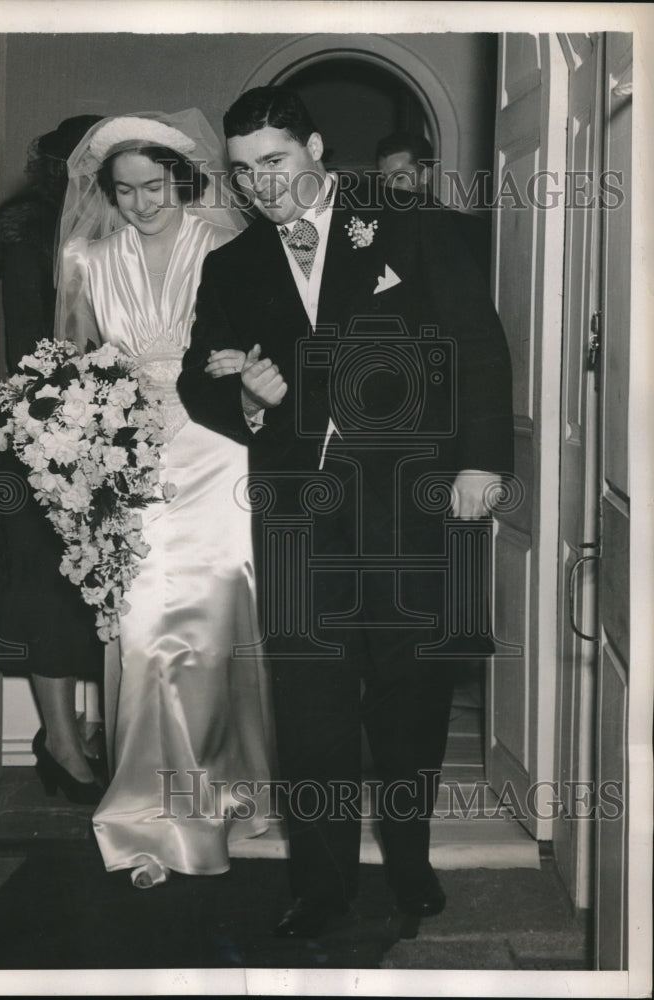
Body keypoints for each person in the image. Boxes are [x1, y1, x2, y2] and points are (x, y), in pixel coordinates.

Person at [178, 87, 514, 938]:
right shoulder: (233, 265)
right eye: (247, 170)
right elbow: (197, 378)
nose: (264, 186)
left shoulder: (408, 224)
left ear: (317, 147)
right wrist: (247, 402)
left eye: (279, 162)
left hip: (411, 506)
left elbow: (476, 340)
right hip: (298, 520)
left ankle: (408, 860)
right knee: (312, 710)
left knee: (410, 699)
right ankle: (322, 886)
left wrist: (481, 459)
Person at [55, 112, 273, 889]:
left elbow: (264, 342)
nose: (142, 204)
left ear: (181, 179)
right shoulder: (88, 257)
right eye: (124, 190)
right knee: (144, 625)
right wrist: (76, 443)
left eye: (154, 187)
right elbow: (74, 364)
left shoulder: (224, 245)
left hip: (216, 445)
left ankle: (233, 781)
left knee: (218, 612)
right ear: (104, 192)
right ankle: (150, 803)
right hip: (130, 455)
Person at [0, 116, 106, 802]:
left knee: (98, 595)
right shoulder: (29, 227)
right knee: (50, 594)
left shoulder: (107, 226)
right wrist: (68, 428)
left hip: (104, 431)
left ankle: (78, 730)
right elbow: (31, 347)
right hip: (44, 434)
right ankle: (60, 741)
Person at [376, 130, 490, 274]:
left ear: (425, 175)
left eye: (399, 178)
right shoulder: (377, 230)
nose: (388, 188)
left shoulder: (467, 229)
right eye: (383, 179)